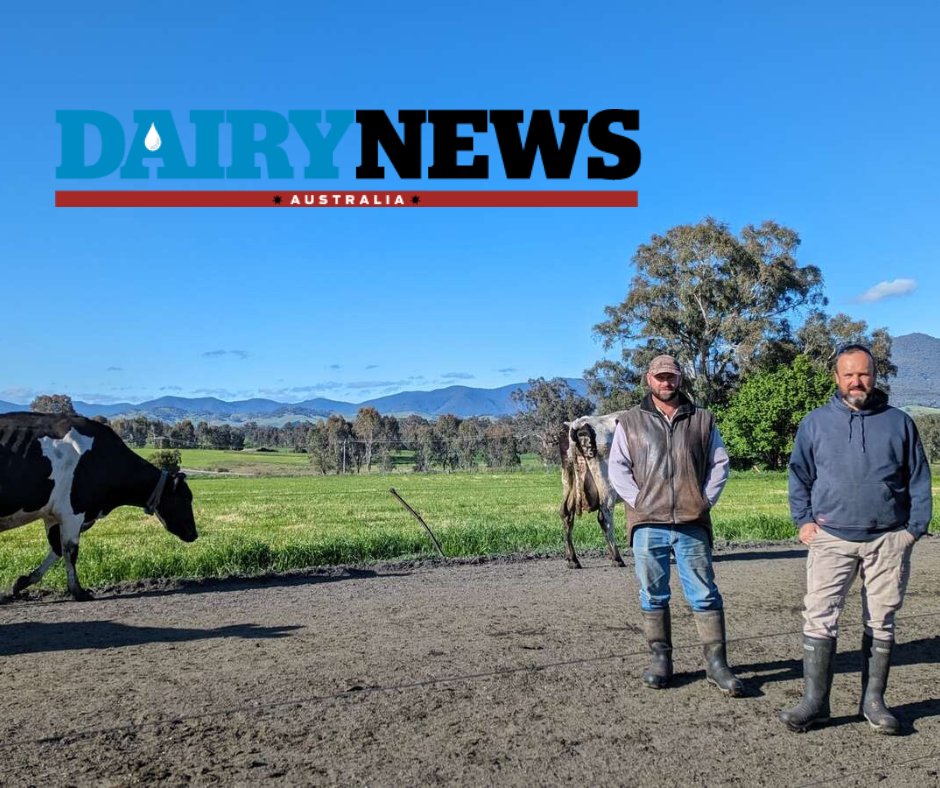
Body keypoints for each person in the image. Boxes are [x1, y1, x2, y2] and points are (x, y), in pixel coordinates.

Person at [779, 344, 932, 734]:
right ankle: (815, 703)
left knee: (881, 620)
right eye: (848, 374)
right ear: (836, 377)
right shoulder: (815, 423)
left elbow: (919, 478)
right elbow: (799, 475)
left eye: (863, 374)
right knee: (819, 616)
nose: (856, 381)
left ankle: (874, 702)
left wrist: (913, 530)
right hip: (830, 538)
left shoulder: (899, 423)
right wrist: (803, 521)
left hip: (888, 540)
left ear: (875, 376)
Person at [608, 354, 742, 696]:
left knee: (704, 594)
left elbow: (720, 463)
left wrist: (704, 500)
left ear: (680, 379)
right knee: (652, 594)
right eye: (660, 377)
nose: (666, 382)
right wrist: (639, 502)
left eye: (671, 376)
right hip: (646, 524)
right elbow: (618, 467)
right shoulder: (630, 422)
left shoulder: (702, 419)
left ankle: (717, 665)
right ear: (648, 379)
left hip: (691, 521)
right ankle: (661, 661)